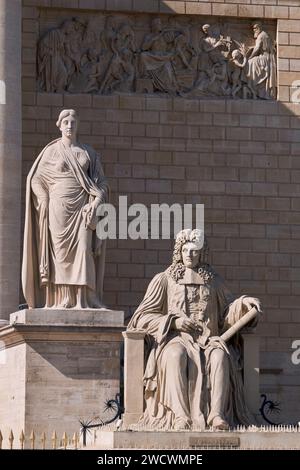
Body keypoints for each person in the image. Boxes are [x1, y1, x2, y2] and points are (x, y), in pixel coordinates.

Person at [128, 229, 261, 430]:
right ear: (178, 252)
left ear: (202, 253)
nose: (189, 254)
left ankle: (216, 415)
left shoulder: (214, 281)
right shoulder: (164, 279)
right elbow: (141, 317)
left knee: (220, 357)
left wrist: (243, 304)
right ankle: (180, 416)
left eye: (194, 251)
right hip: (175, 340)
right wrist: (173, 322)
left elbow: (227, 311)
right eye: (185, 250)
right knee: (175, 356)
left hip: (208, 341)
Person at [22, 109, 109, 309]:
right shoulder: (51, 151)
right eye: (66, 122)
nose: (70, 125)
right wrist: (43, 198)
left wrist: (96, 203)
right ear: (59, 125)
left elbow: (101, 183)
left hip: (83, 207)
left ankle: (86, 298)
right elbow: (35, 178)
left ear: (78, 125)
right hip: (58, 206)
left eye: (73, 122)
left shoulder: (89, 153)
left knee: (84, 249)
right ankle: (63, 298)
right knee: (60, 253)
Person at [246, 22, 276, 99]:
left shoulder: (261, 36)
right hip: (268, 57)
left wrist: (250, 57)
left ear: (259, 27)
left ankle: (253, 86)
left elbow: (257, 48)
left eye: (255, 28)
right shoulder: (265, 34)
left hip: (265, 58)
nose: (254, 30)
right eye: (253, 28)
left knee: (250, 62)